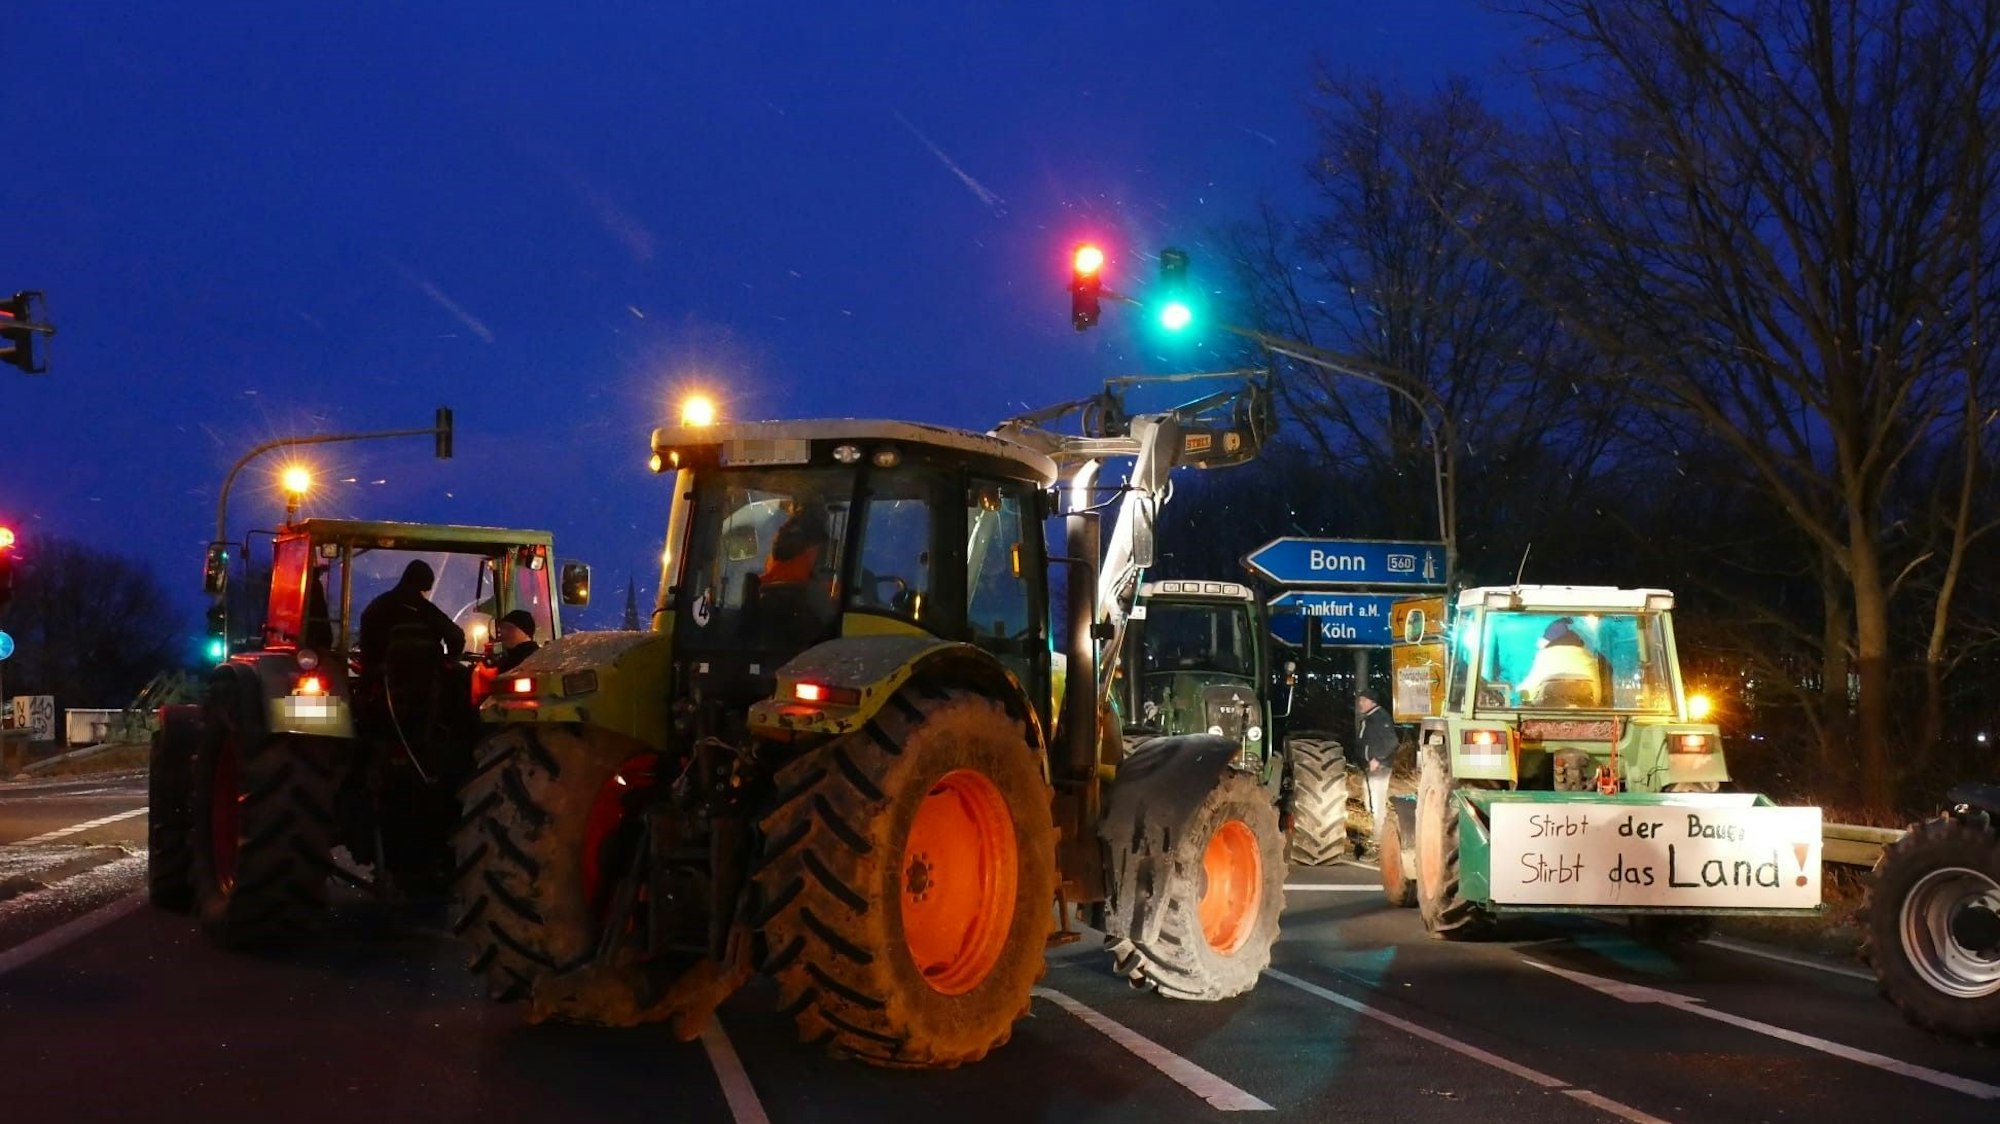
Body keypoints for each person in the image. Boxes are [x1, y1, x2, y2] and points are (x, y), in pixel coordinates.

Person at [358, 559, 466, 676]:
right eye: (423, 591)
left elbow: (367, 647)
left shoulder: (378, 607)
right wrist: (449, 661)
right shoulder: (428, 611)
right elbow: (456, 635)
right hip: (426, 681)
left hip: (383, 681)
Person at [1517, 617, 1603, 707]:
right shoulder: (1588, 656)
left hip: (1550, 714)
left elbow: (1529, 688)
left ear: (1549, 640)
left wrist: (1521, 693)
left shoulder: (1545, 656)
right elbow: (1597, 695)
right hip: (1587, 714)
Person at [1357, 688, 1399, 851]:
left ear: (1372, 702)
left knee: (1377, 802)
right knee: (1370, 802)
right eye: (1360, 700)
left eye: (1363, 700)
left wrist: (1378, 758)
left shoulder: (1380, 718)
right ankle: (1375, 834)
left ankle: (1379, 838)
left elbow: (1392, 741)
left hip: (1379, 768)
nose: (1360, 703)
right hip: (1370, 768)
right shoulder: (1369, 718)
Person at [492, 609, 540, 674]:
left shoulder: (532, 658)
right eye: (501, 629)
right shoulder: (505, 657)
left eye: (509, 628)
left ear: (525, 632)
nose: (503, 633)